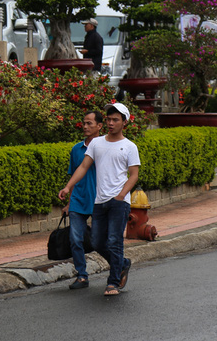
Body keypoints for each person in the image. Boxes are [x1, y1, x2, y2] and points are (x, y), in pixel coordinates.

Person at [58, 103, 140, 296]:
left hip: (119, 202)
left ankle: (113, 283)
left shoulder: (129, 146)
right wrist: (68, 186)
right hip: (99, 201)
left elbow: (134, 175)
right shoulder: (96, 144)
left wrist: (121, 196)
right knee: (96, 242)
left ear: (124, 122)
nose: (111, 123)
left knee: (114, 240)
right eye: (109, 119)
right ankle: (123, 263)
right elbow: (83, 167)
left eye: (115, 120)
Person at [63, 111, 104, 290]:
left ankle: (117, 268)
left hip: (99, 200)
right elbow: (74, 176)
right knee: (75, 239)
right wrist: (69, 201)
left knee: (99, 241)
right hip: (78, 201)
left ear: (99, 126)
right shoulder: (76, 149)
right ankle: (82, 275)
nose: (85, 127)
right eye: (84, 123)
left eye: (89, 123)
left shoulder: (105, 147)